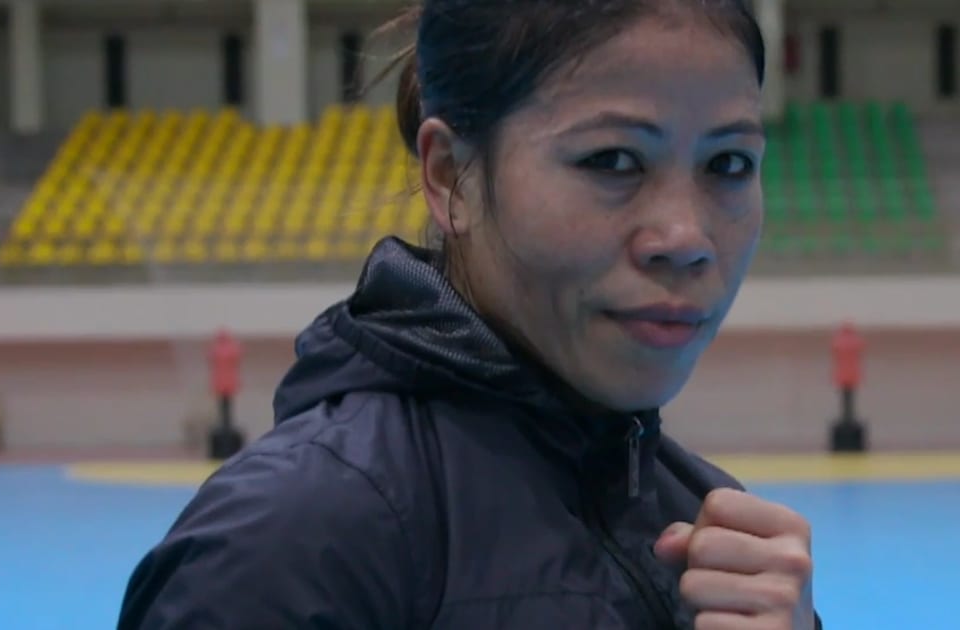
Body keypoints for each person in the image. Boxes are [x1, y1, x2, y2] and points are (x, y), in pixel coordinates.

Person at [119, 0, 823, 628]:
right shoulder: (288, 544)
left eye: (729, 164)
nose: (686, 238)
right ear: (450, 174)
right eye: (612, 160)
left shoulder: (712, 529)